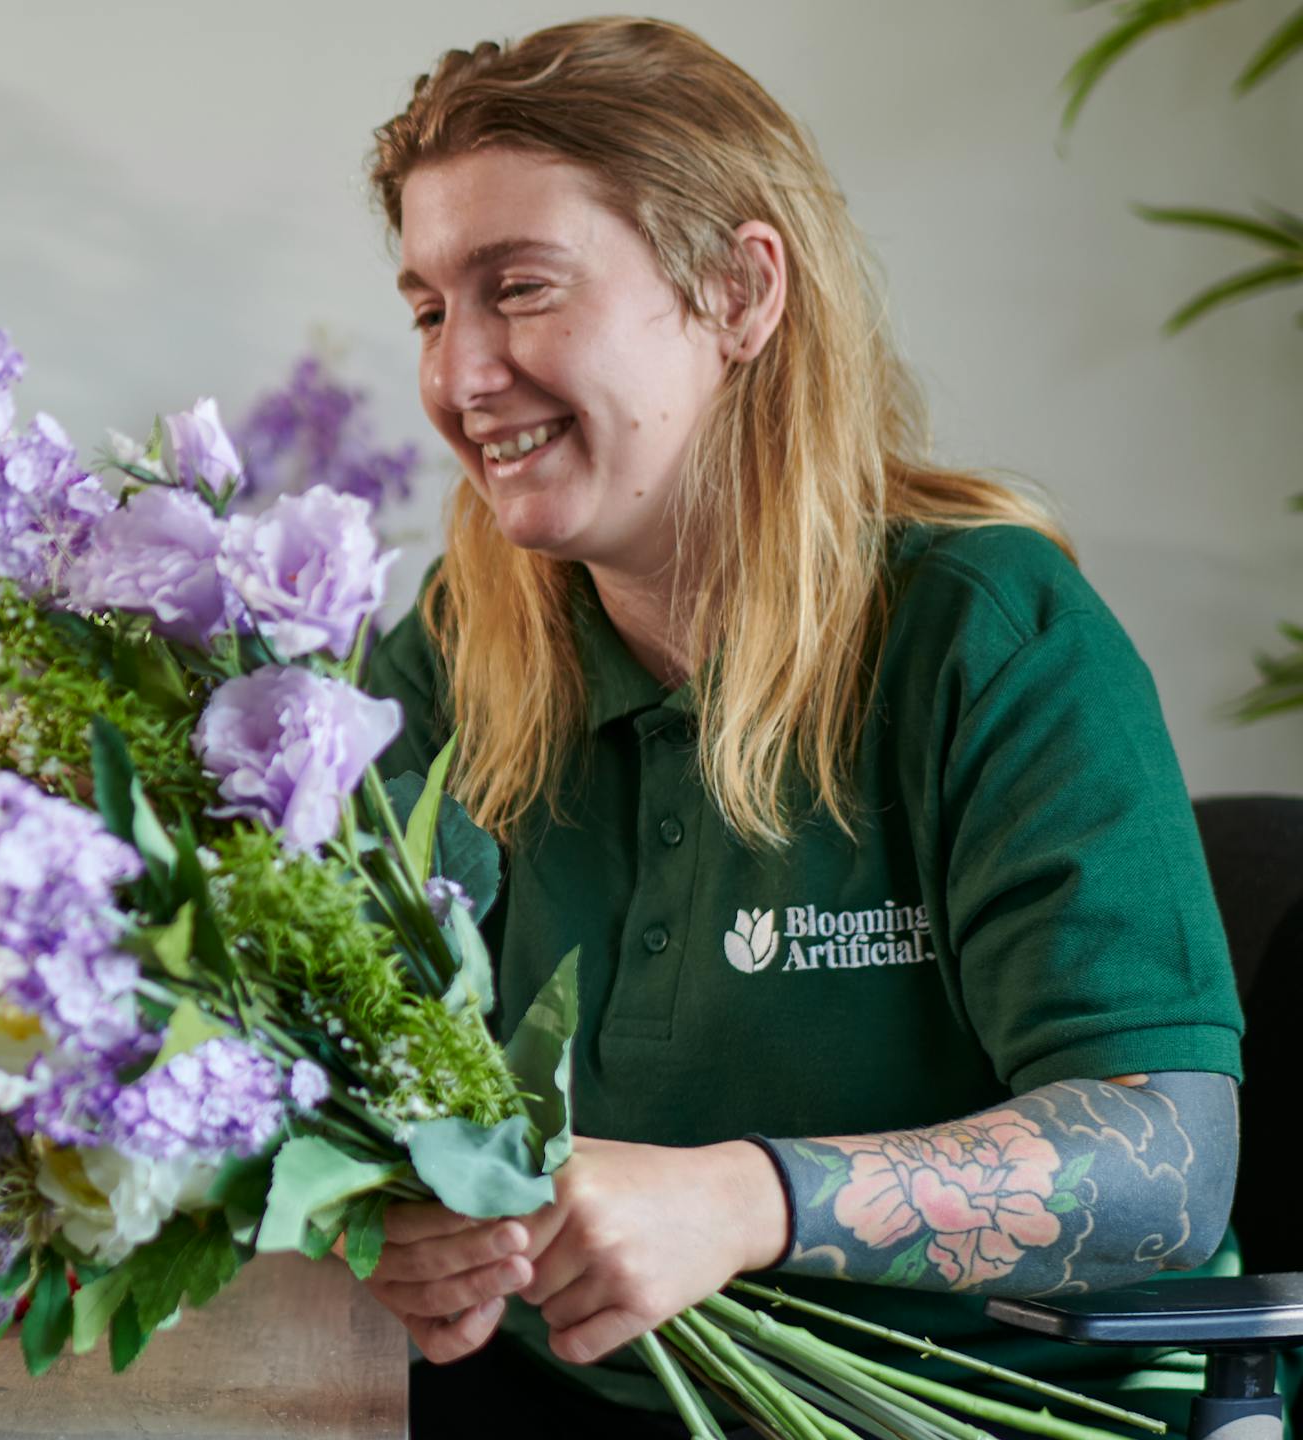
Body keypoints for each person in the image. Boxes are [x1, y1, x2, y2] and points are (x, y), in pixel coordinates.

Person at [357, 17, 1246, 1439]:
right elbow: (337, 1064)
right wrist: (398, 1214)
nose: (461, 377)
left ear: (738, 290)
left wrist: (740, 1198)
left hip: (979, 1412)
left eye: (518, 289)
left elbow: (1166, 1164)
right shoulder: (457, 654)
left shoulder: (989, 636)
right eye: (426, 309)